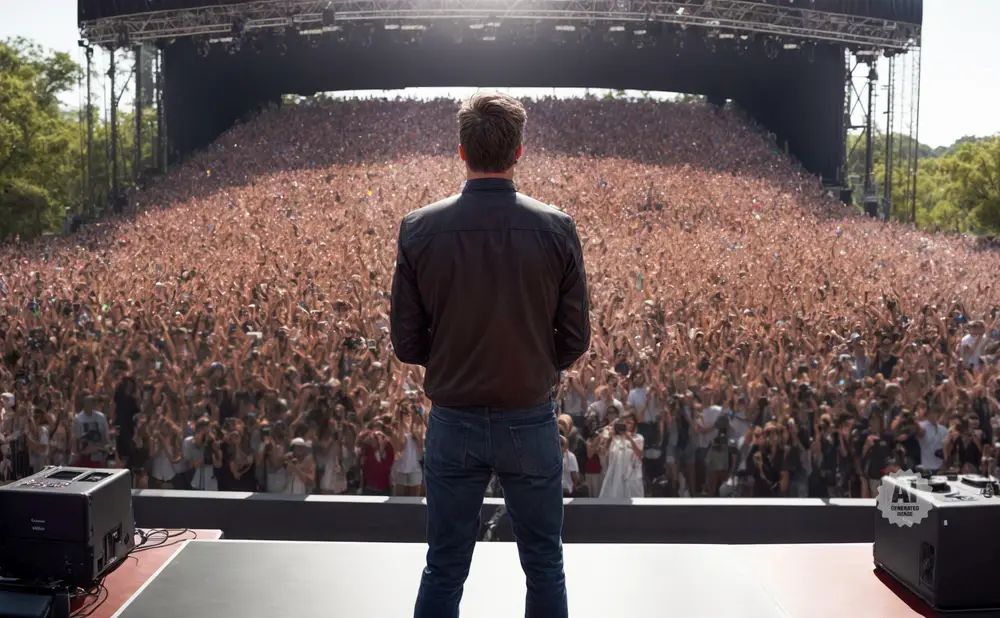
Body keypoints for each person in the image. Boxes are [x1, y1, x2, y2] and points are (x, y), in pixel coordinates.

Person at [391, 93, 590, 618]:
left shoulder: (418, 228)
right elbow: (575, 338)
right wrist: (529, 361)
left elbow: (407, 343)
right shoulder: (556, 227)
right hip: (528, 417)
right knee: (544, 564)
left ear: (461, 151)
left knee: (444, 564)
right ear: (519, 151)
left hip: (453, 418)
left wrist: (458, 356)